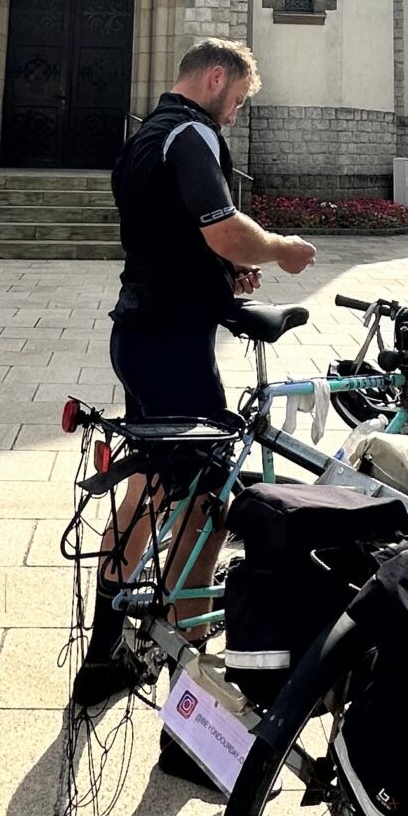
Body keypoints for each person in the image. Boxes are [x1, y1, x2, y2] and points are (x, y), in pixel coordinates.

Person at [70, 38, 316, 716]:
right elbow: (223, 229)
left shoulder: (146, 135)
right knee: (207, 502)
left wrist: (221, 276)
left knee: (149, 485)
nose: (233, 116)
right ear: (215, 79)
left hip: (139, 334)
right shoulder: (191, 133)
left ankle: (104, 656)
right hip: (174, 346)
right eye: (235, 102)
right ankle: (189, 695)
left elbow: (165, 232)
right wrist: (280, 249)